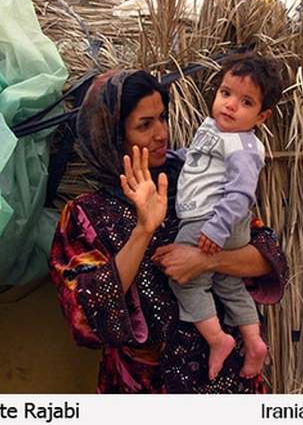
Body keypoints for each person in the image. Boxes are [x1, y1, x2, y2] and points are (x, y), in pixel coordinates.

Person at [49, 69, 287, 393]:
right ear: (112, 134)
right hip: (146, 389)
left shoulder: (195, 181)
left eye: (163, 118)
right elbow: (85, 316)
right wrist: (143, 230)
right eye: (144, 125)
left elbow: (268, 257)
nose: (161, 134)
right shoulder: (86, 216)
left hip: (228, 383)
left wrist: (206, 261)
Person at [171, 55, 284, 381]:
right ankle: (254, 341)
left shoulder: (244, 146)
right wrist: (173, 157)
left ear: (261, 116)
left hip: (210, 219)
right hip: (216, 221)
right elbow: (196, 160)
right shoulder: (212, 128)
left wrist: (216, 228)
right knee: (229, 282)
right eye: (226, 93)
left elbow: (240, 193)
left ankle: (217, 339)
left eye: (246, 102)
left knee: (185, 278)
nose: (231, 105)